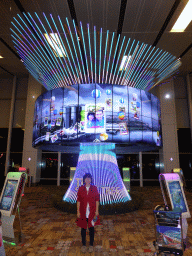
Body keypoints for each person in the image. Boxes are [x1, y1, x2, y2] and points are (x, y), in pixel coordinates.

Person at [76, 173, 100, 253]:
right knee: (83, 228)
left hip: (92, 212)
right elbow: (78, 201)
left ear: (91, 179)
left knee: (91, 229)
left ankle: (91, 245)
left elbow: (97, 200)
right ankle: (83, 245)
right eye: (86, 178)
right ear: (84, 179)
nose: (88, 179)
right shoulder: (81, 188)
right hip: (83, 212)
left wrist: (97, 211)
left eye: (89, 178)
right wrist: (78, 211)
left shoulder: (94, 188)